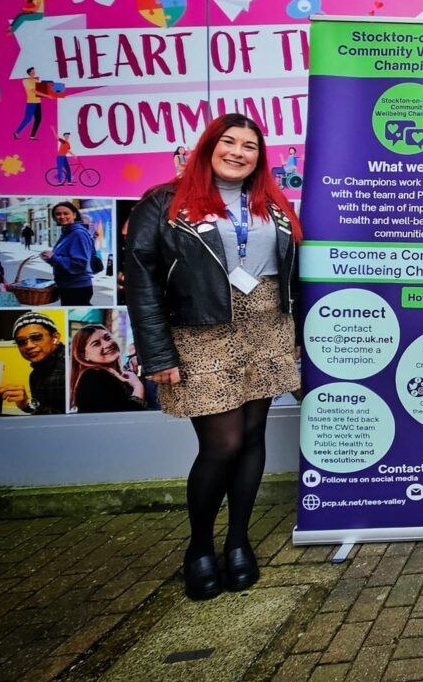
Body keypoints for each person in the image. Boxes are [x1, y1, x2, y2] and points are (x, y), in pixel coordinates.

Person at [125, 112, 302, 601]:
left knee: (251, 438)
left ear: (259, 157)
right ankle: (199, 547)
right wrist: (157, 353)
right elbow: (141, 284)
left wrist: (301, 336)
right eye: (229, 142)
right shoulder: (164, 202)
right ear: (209, 146)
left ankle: (239, 540)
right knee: (220, 444)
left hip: (267, 326)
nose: (238, 153)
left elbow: (292, 273)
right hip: (202, 334)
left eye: (250, 146)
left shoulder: (275, 204)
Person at [0, 312, 67, 415]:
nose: (29, 346)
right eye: (21, 341)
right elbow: (41, 413)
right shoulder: (36, 374)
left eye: (36, 337)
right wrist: (25, 403)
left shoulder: (70, 368)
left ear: (55, 338)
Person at [69, 324, 148, 413]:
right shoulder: (92, 377)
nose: (107, 344)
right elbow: (124, 417)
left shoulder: (113, 375)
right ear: (84, 356)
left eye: (107, 338)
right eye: (96, 344)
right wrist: (138, 386)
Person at [42, 201, 95, 305]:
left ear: (74, 215)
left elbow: (80, 264)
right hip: (67, 286)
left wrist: (53, 257)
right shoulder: (67, 232)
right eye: (58, 214)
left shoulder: (78, 233)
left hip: (76, 288)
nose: (62, 216)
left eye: (66, 213)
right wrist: (50, 258)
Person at [14, 67, 47, 140]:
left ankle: (32, 136)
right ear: (29, 73)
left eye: (34, 71)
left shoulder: (36, 81)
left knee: (38, 119)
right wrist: (48, 96)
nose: (33, 72)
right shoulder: (25, 81)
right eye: (32, 71)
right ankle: (16, 132)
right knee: (28, 119)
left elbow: (43, 90)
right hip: (31, 103)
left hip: (38, 102)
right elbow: (34, 91)